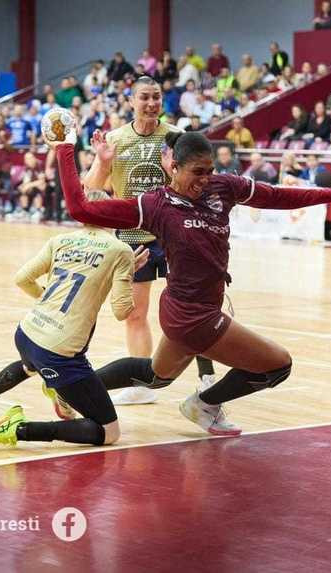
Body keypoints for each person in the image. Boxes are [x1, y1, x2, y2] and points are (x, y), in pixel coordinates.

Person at [51, 128, 331, 435]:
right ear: (174, 168)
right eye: (197, 172)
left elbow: (274, 196)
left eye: (209, 170)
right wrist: (65, 147)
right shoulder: (155, 205)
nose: (205, 180)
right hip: (193, 316)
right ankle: (204, 404)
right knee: (278, 365)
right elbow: (80, 209)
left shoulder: (223, 187)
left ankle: (72, 388)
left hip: (191, 310)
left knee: (155, 376)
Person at [0, 191, 151, 451]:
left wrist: (47, 299)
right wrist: (128, 274)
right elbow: (122, 311)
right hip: (58, 351)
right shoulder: (120, 250)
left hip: (27, 333)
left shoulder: (61, 240)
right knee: (109, 431)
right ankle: (17, 429)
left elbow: (22, 278)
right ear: (111, 214)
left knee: (29, 365)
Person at [83, 76, 219, 405]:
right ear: (131, 101)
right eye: (144, 97)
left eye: (156, 97)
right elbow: (91, 187)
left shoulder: (176, 137)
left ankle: (207, 381)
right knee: (134, 313)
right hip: (133, 237)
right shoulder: (114, 138)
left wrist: (172, 168)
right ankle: (144, 386)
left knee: (195, 308)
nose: (151, 103)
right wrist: (102, 161)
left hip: (175, 233)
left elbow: (196, 181)